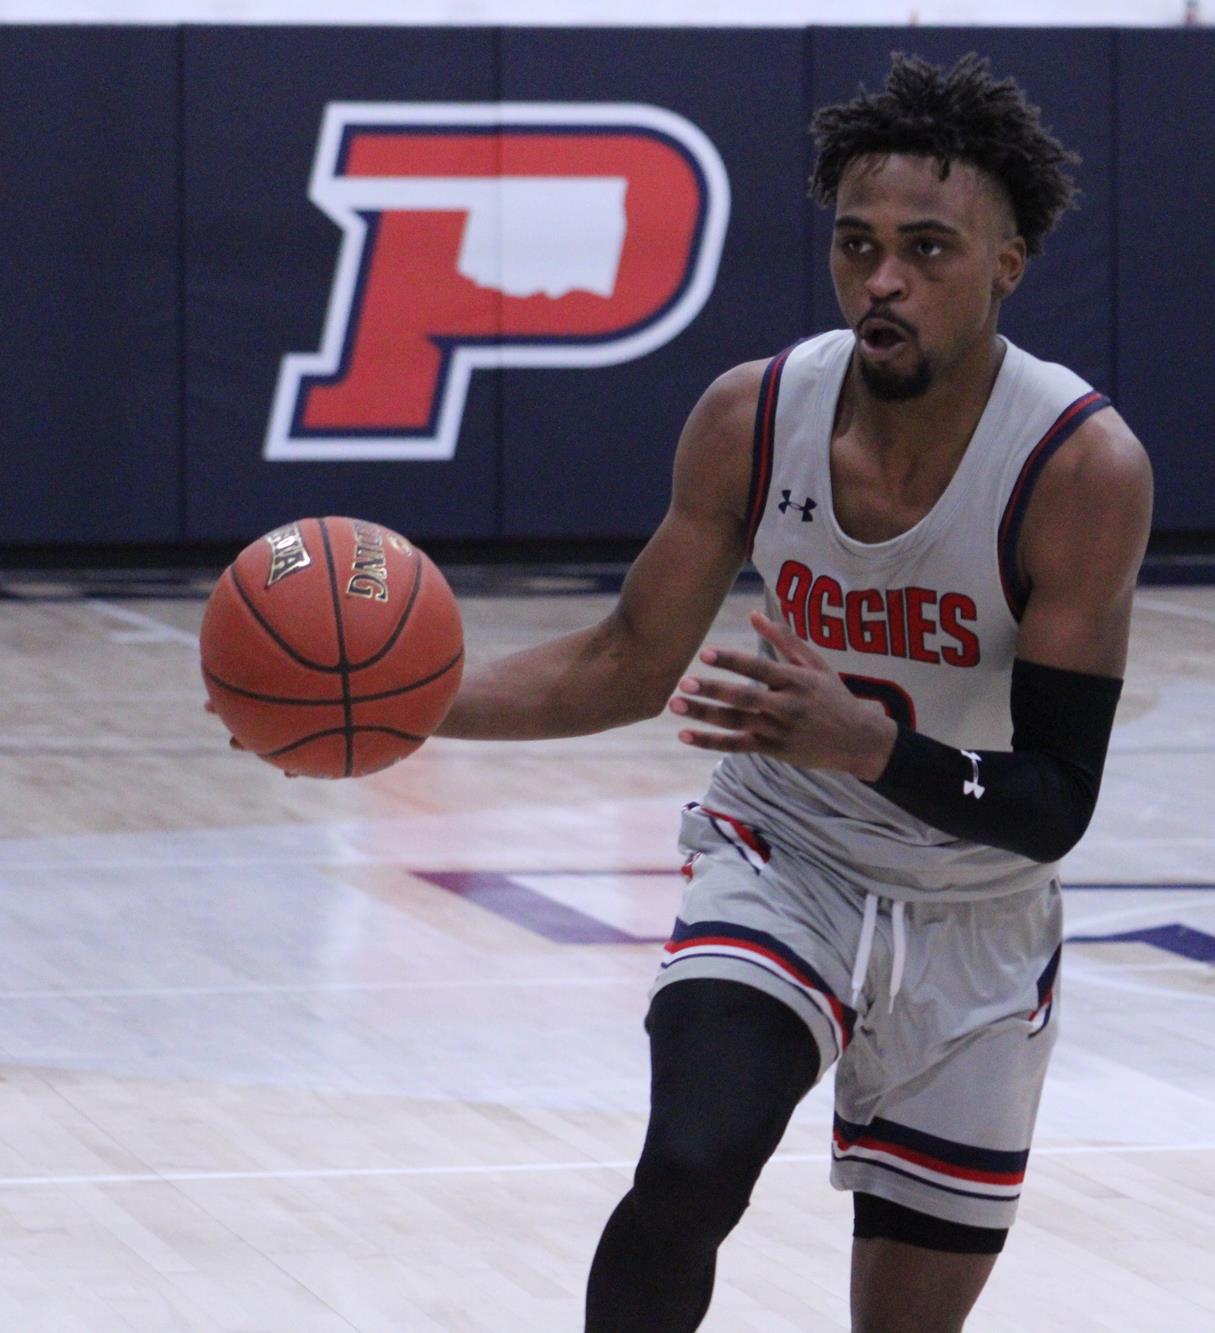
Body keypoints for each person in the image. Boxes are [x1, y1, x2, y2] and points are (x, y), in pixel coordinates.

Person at [430, 54, 1151, 1332]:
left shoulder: (1078, 467)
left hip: (976, 913)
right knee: (690, 1165)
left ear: (1007, 265)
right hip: (785, 855)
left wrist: (870, 745)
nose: (883, 281)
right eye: (857, 244)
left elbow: (1053, 803)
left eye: (927, 249)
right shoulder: (751, 416)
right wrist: (407, 705)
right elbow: (622, 661)